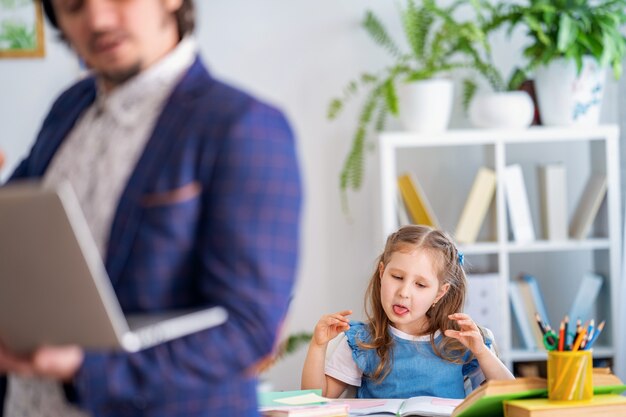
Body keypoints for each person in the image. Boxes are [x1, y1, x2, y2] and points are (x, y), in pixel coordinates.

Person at [0, 0, 301, 416]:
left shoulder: (242, 125)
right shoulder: (68, 108)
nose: (97, 19)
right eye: (73, 5)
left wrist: (86, 369)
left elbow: (249, 329)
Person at [301, 225, 513, 399]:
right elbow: (316, 402)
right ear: (382, 273)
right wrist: (318, 346)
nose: (404, 292)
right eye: (397, 277)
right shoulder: (363, 341)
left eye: (420, 285)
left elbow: (510, 396)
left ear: (440, 293)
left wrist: (482, 353)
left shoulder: (457, 342)